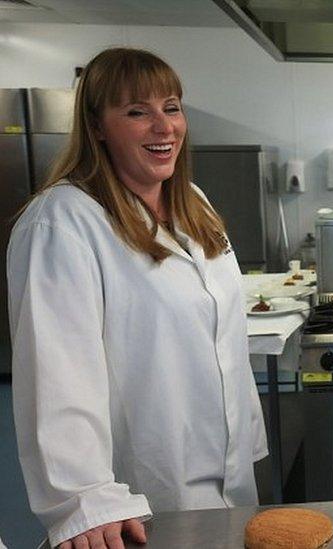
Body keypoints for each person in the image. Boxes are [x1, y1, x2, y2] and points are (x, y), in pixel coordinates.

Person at [7, 48, 268, 548]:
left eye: (171, 107)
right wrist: (84, 498)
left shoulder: (195, 204)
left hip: (227, 474)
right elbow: (56, 370)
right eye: (136, 112)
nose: (163, 127)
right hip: (134, 494)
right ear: (97, 126)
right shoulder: (62, 222)